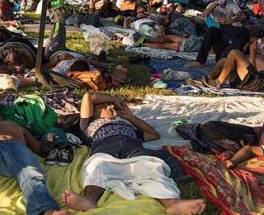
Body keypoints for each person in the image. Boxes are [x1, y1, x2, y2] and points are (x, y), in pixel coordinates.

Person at [61, 92, 206, 214]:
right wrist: (114, 99)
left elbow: (153, 135)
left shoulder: (125, 124)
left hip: (133, 148)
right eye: (103, 106)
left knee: (150, 167)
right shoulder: (87, 125)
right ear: (93, 113)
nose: (109, 107)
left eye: (110, 106)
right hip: (105, 149)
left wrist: (130, 117)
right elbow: (88, 97)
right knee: (96, 167)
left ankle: (171, 203)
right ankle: (89, 199)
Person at [189, 0, 248, 67]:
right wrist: (216, 3)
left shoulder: (231, 4)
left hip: (229, 34)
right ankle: (200, 61)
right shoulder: (212, 5)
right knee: (211, 30)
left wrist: (232, 20)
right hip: (219, 36)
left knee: (243, 31)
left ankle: (225, 57)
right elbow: (204, 14)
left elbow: (242, 15)